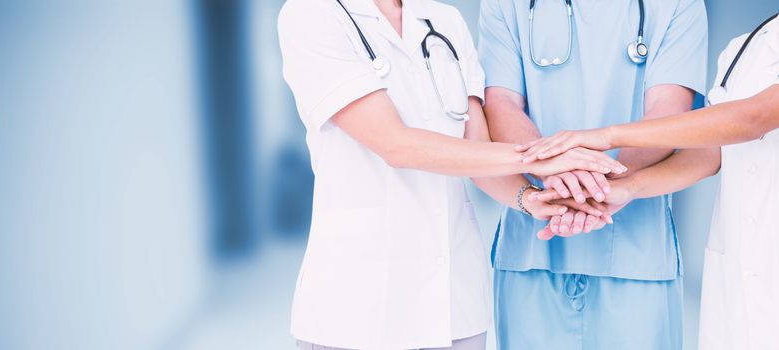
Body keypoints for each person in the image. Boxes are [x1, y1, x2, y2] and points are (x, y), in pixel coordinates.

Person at [277, 0, 624, 349]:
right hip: (358, 306)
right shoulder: (312, 14)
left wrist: (531, 199)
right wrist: (540, 159)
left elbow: (479, 153)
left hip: (453, 304)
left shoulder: (444, 20)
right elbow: (395, 145)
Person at [518, 13, 779, 349]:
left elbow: (753, 119)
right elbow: (711, 153)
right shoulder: (745, 47)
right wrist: (624, 188)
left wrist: (608, 136)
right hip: (739, 279)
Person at [476, 0, 711, 348]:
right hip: (532, 250)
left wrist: (587, 184)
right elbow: (500, 104)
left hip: (636, 255)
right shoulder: (505, 4)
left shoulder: (678, 4)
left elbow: (669, 112)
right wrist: (558, 173)